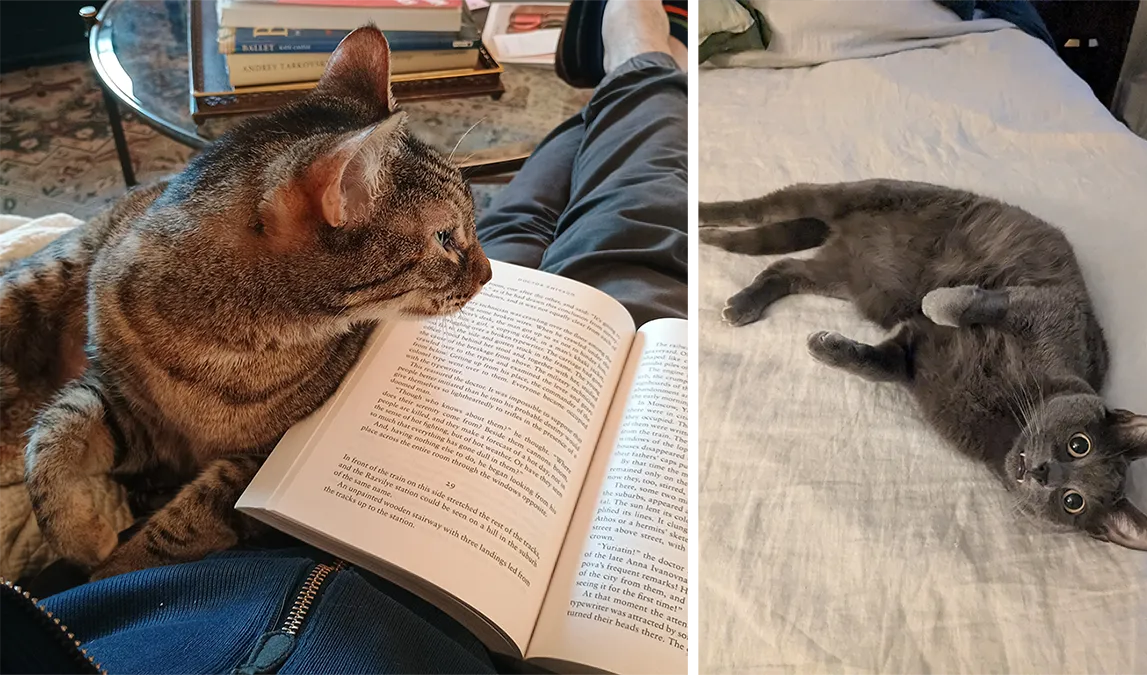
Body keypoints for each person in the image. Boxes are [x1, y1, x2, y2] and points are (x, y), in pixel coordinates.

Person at [0, 1, 695, 673]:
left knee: (539, 225)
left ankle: (629, 74)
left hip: (428, 335)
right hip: (438, 564)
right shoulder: (143, 290)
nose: (478, 274)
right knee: (635, 244)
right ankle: (636, 69)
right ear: (326, 200)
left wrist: (125, 566)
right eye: (453, 244)